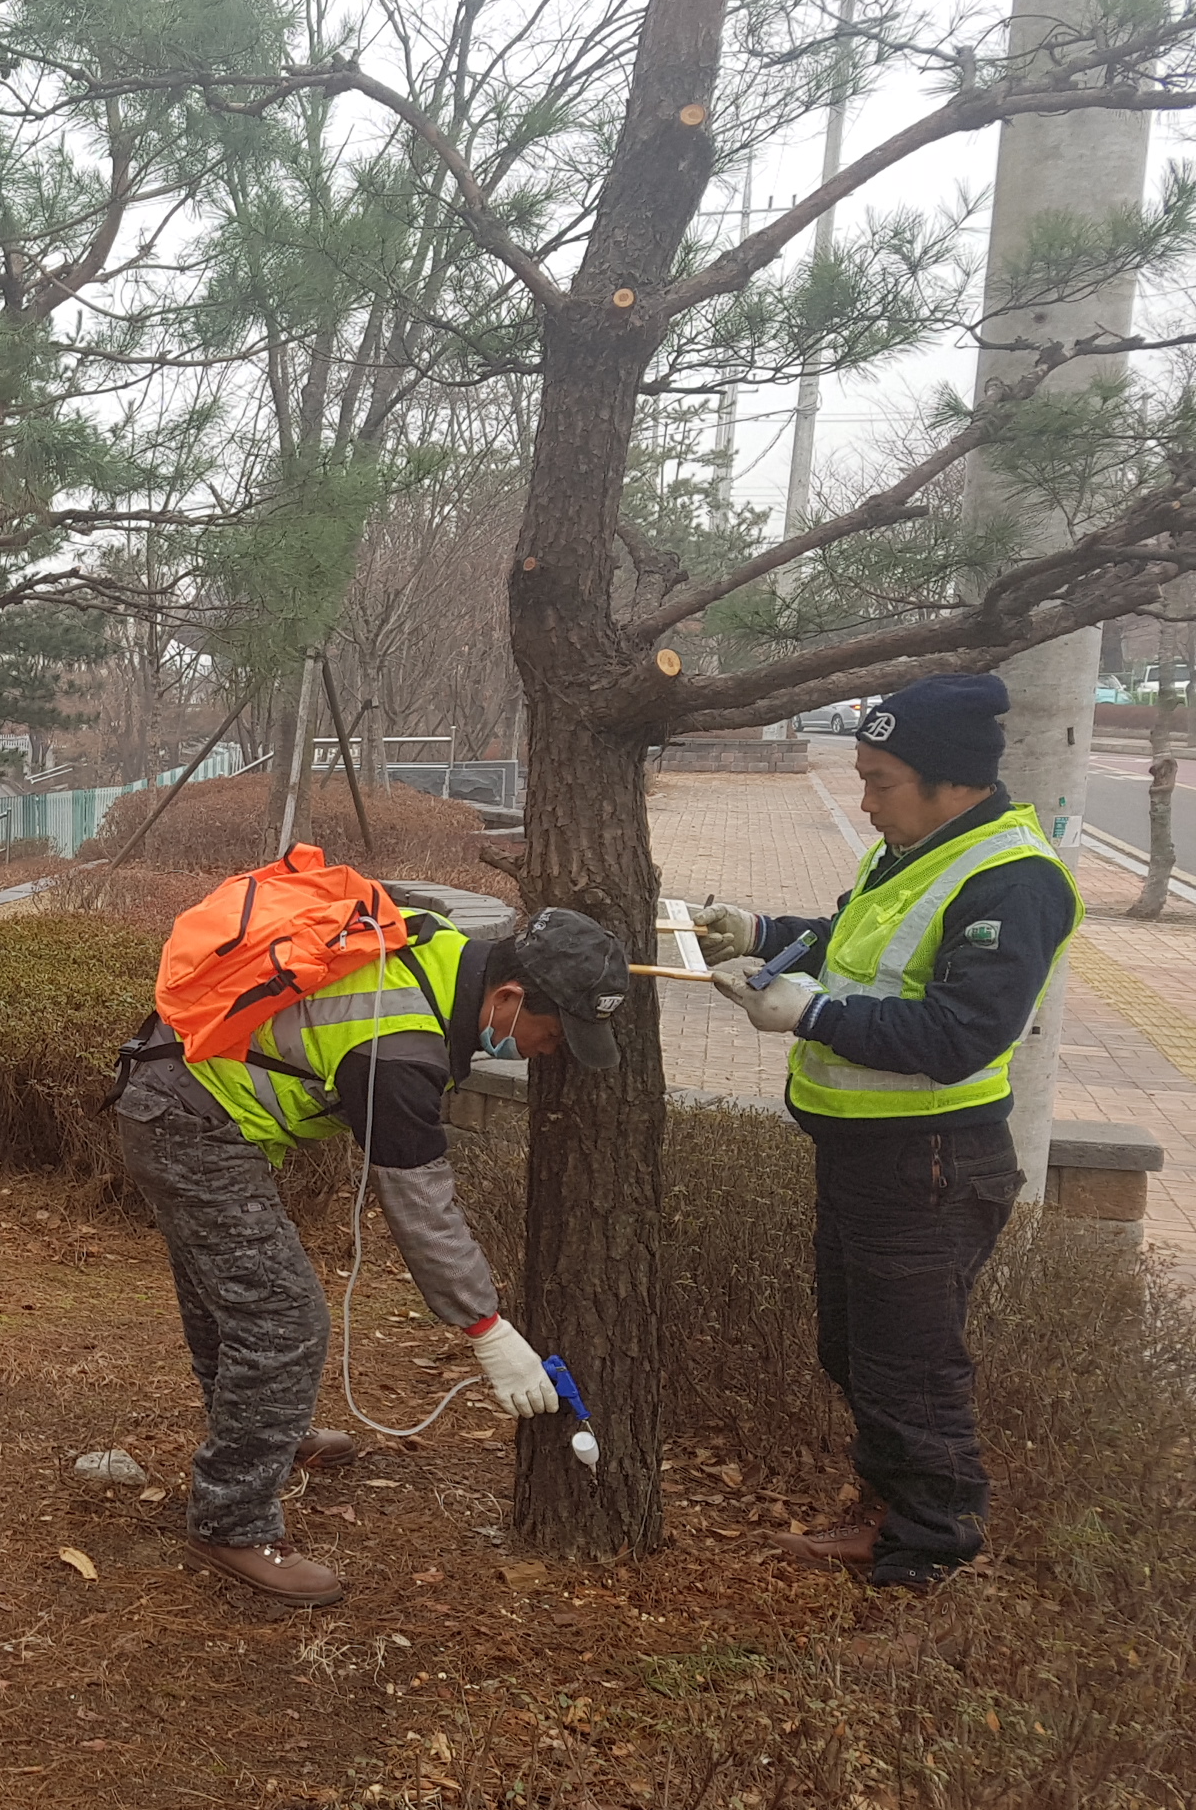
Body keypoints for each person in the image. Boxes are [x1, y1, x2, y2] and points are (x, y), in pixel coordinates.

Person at [111, 901, 630, 1608]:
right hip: (184, 1121)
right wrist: (486, 1328)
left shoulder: (441, 946)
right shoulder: (402, 1047)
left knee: (234, 1304)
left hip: (176, 1093)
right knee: (282, 1322)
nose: (551, 1050)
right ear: (508, 996)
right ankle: (231, 1522)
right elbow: (420, 1205)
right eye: (550, 1032)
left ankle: (266, 1435)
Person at [691, 672, 1079, 1591]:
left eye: (881, 783)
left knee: (911, 1366)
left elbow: (959, 1034)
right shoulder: (917, 847)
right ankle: (890, 1511)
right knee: (853, 1346)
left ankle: (930, 1557)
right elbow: (851, 939)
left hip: (932, 1164)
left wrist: (809, 1014)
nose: (866, 805)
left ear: (954, 782)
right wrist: (758, 930)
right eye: (860, 779)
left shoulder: (1011, 879)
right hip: (867, 1154)